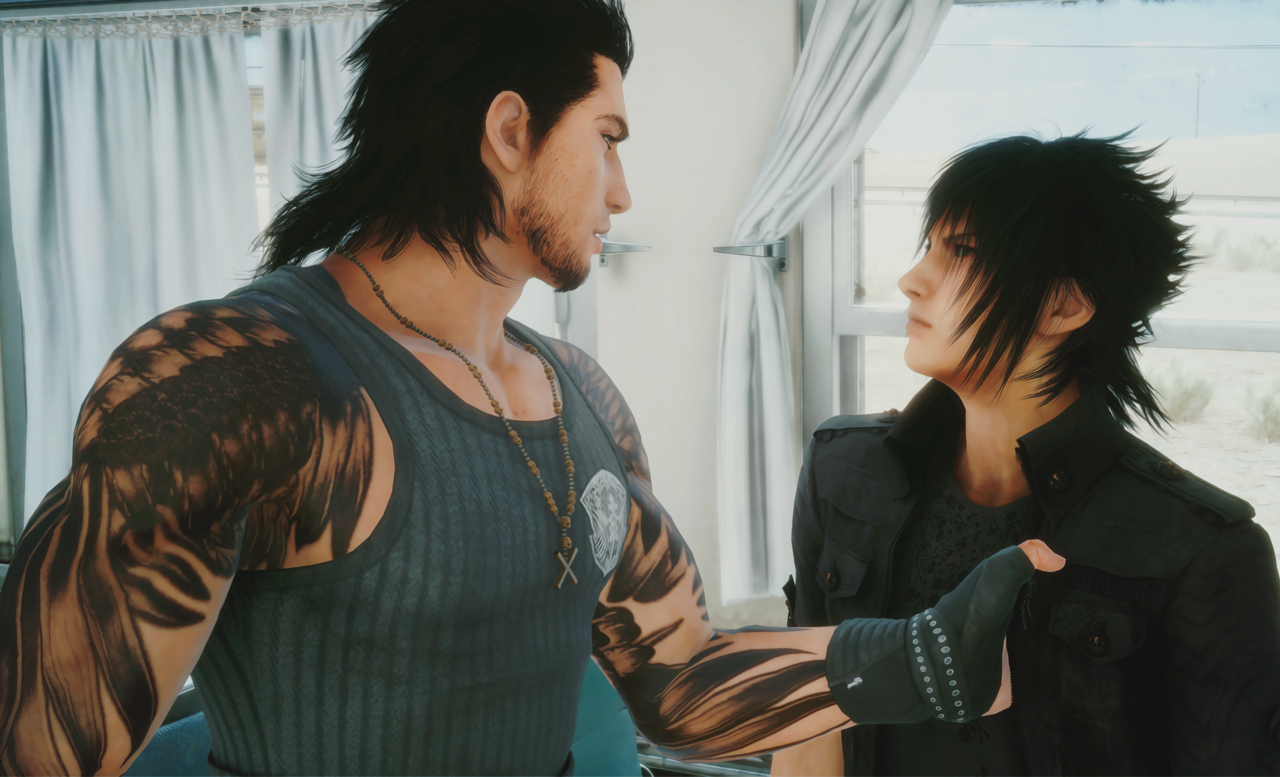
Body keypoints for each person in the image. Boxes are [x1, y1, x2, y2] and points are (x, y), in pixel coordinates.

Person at [0, 2, 1064, 775]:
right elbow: (42, 749)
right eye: (606, 141)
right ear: (510, 132)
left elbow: (680, 680)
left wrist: (930, 655)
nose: (623, 191)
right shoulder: (240, 375)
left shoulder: (582, 396)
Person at [776, 131, 1280, 776]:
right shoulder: (843, 470)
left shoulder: (1203, 552)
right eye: (930, 246)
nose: (911, 280)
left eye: (962, 252)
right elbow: (803, 721)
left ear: (1063, 305)